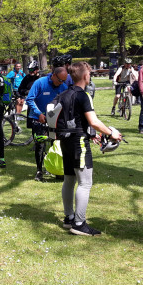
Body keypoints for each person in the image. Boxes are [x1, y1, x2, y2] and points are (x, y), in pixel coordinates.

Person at [57, 62, 122, 236]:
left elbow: (71, 118)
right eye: (90, 73)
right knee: (85, 183)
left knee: (69, 179)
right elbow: (93, 121)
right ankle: (79, 223)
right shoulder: (84, 96)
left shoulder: (63, 94)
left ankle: (69, 217)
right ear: (86, 76)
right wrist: (111, 133)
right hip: (79, 142)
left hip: (66, 140)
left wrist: (92, 134)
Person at [25, 66, 69, 181]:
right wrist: (39, 113)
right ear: (53, 75)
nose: (61, 83)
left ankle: (57, 169)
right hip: (38, 118)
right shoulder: (40, 82)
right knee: (40, 145)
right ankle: (39, 171)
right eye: (60, 80)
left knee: (57, 145)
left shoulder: (63, 87)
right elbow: (30, 99)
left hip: (55, 120)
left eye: (64, 81)